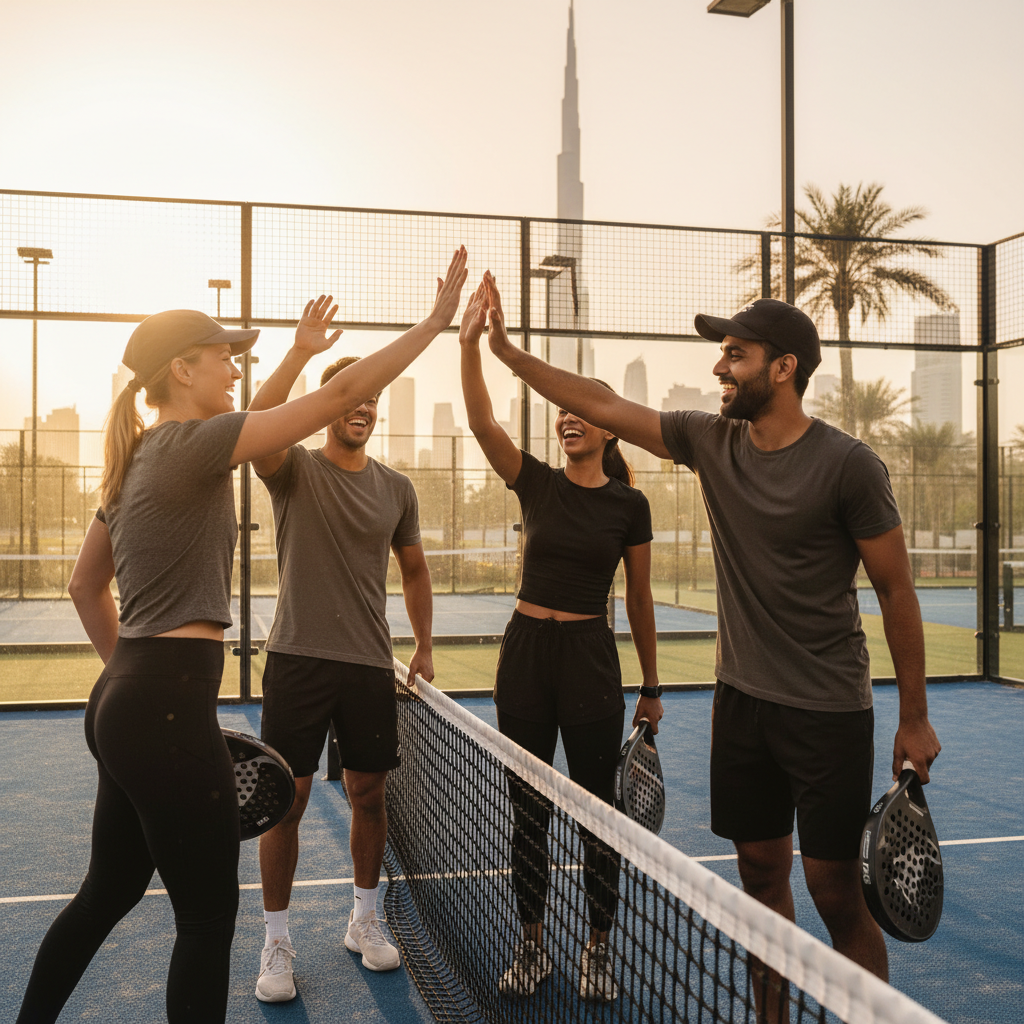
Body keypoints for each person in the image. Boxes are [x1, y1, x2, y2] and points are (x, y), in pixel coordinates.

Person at [16, 247, 468, 1024]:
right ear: (183, 369)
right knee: (205, 920)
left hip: (127, 697)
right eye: (225, 355)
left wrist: (131, 676)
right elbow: (345, 394)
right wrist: (432, 322)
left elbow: (84, 586)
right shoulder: (193, 445)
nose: (233, 366)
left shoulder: (136, 461)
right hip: (159, 703)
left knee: (108, 893)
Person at [482, 292, 941, 994]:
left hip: (827, 712)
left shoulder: (849, 466)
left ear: (783, 368)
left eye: (736, 354)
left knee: (835, 891)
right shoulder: (709, 440)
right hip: (742, 708)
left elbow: (896, 591)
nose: (720, 366)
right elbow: (603, 406)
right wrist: (510, 356)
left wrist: (914, 715)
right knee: (760, 880)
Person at [459, 273, 663, 1004]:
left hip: (589, 664)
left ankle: (598, 949)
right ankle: (533, 943)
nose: (568, 419)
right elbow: (484, 425)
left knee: (595, 813)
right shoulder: (536, 483)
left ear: (606, 427)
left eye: (582, 411)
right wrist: (470, 347)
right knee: (526, 813)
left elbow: (637, 599)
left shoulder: (629, 507)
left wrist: (651, 685)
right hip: (525, 659)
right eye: (561, 413)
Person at [248, 341, 434, 1002]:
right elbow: (258, 419)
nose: (363, 405)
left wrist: (424, 645)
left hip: (367, 666)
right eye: (349, 395)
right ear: (329, 407)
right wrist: (300, 352)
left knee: (369, 796)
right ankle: (275, 940)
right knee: (285, 803)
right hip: (297, 660)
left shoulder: (396, 488)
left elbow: (414, 569)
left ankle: (363, 920)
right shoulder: (292, 469)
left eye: (371, 397)